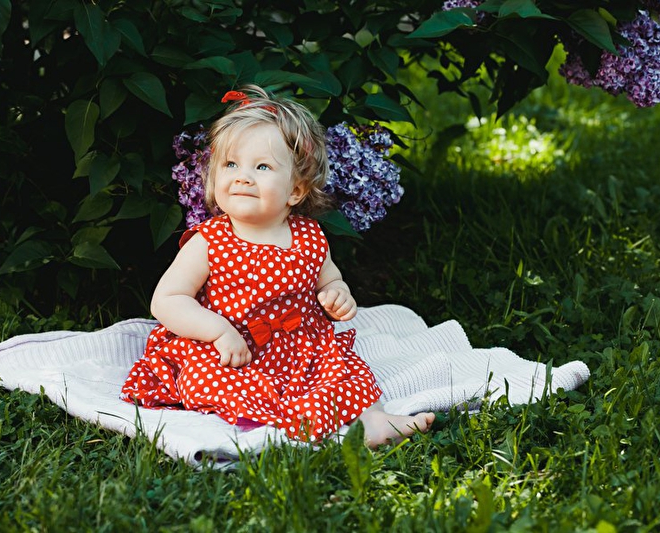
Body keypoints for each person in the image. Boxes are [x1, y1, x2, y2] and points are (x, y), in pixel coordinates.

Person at [121, 85, 434, 447]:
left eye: (263, 167)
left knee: (346, 371)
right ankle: (282, 418)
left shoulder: (308, 236)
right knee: (205, 377)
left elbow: (328, 279)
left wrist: (337, 294)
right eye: (231, 164)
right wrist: (218, 331)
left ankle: (374, 420)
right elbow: (167, 300)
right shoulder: (210, 240)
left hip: (300, 350)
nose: (242, 176)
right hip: (228, 349)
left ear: (296, 190)